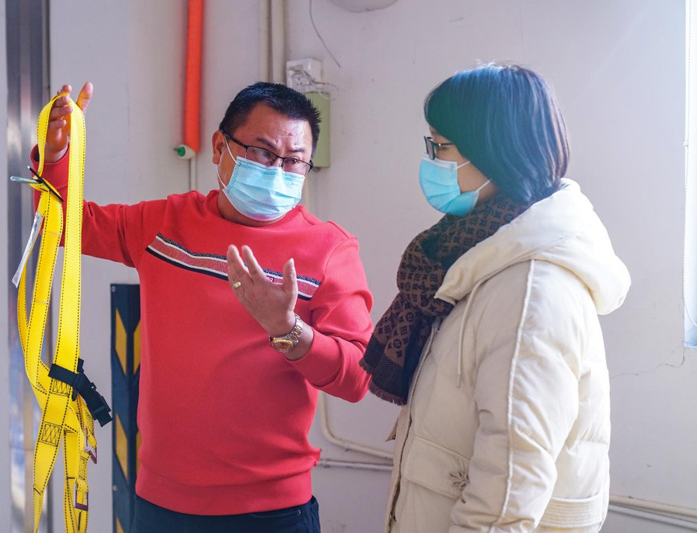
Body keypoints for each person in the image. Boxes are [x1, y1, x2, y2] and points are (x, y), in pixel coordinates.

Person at [34, 81, 374, 532]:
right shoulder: (165, 224)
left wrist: (288, 330)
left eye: (294, 160)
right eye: (263, 152)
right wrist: (56, 156)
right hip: (160, 503)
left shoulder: (329, 250)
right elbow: (64, 225)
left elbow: (357, 378)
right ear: (219, 147)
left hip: (271, 512)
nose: (278, 170)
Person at [361, 64, 631, 532]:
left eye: (440, 147)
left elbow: (507, 496)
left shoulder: (531, 294)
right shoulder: (476, 257)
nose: (431, 161)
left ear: (493, 153)